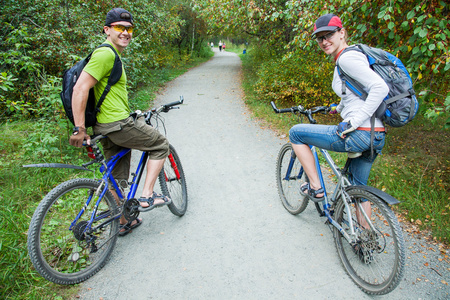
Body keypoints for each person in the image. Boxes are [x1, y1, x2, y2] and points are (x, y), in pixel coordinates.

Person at [69, 8, 172, 236]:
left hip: (109, 126)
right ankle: (147, 195)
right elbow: (80, 88)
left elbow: (109, 94)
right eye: (119, 28)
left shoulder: (112, 55)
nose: (125, 32)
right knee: (160, 145)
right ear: (107, 30)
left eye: (129, 28)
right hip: (117, 125)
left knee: (117, 177)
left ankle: (125, 220)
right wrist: (79, 128)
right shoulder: (105, 54)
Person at [289, 13, 388, 226]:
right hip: (376, 135)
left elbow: (380, 87)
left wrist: (354, 121)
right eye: (320, 37)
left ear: (342, 33)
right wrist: (339, 108)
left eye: (329, 35)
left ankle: (316, 188)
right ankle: (365, 242)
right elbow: (355, 92)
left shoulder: (346, 58)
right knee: (358, 188)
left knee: (295, 133)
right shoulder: (351, 56)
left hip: (358, 133)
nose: (324, 41)